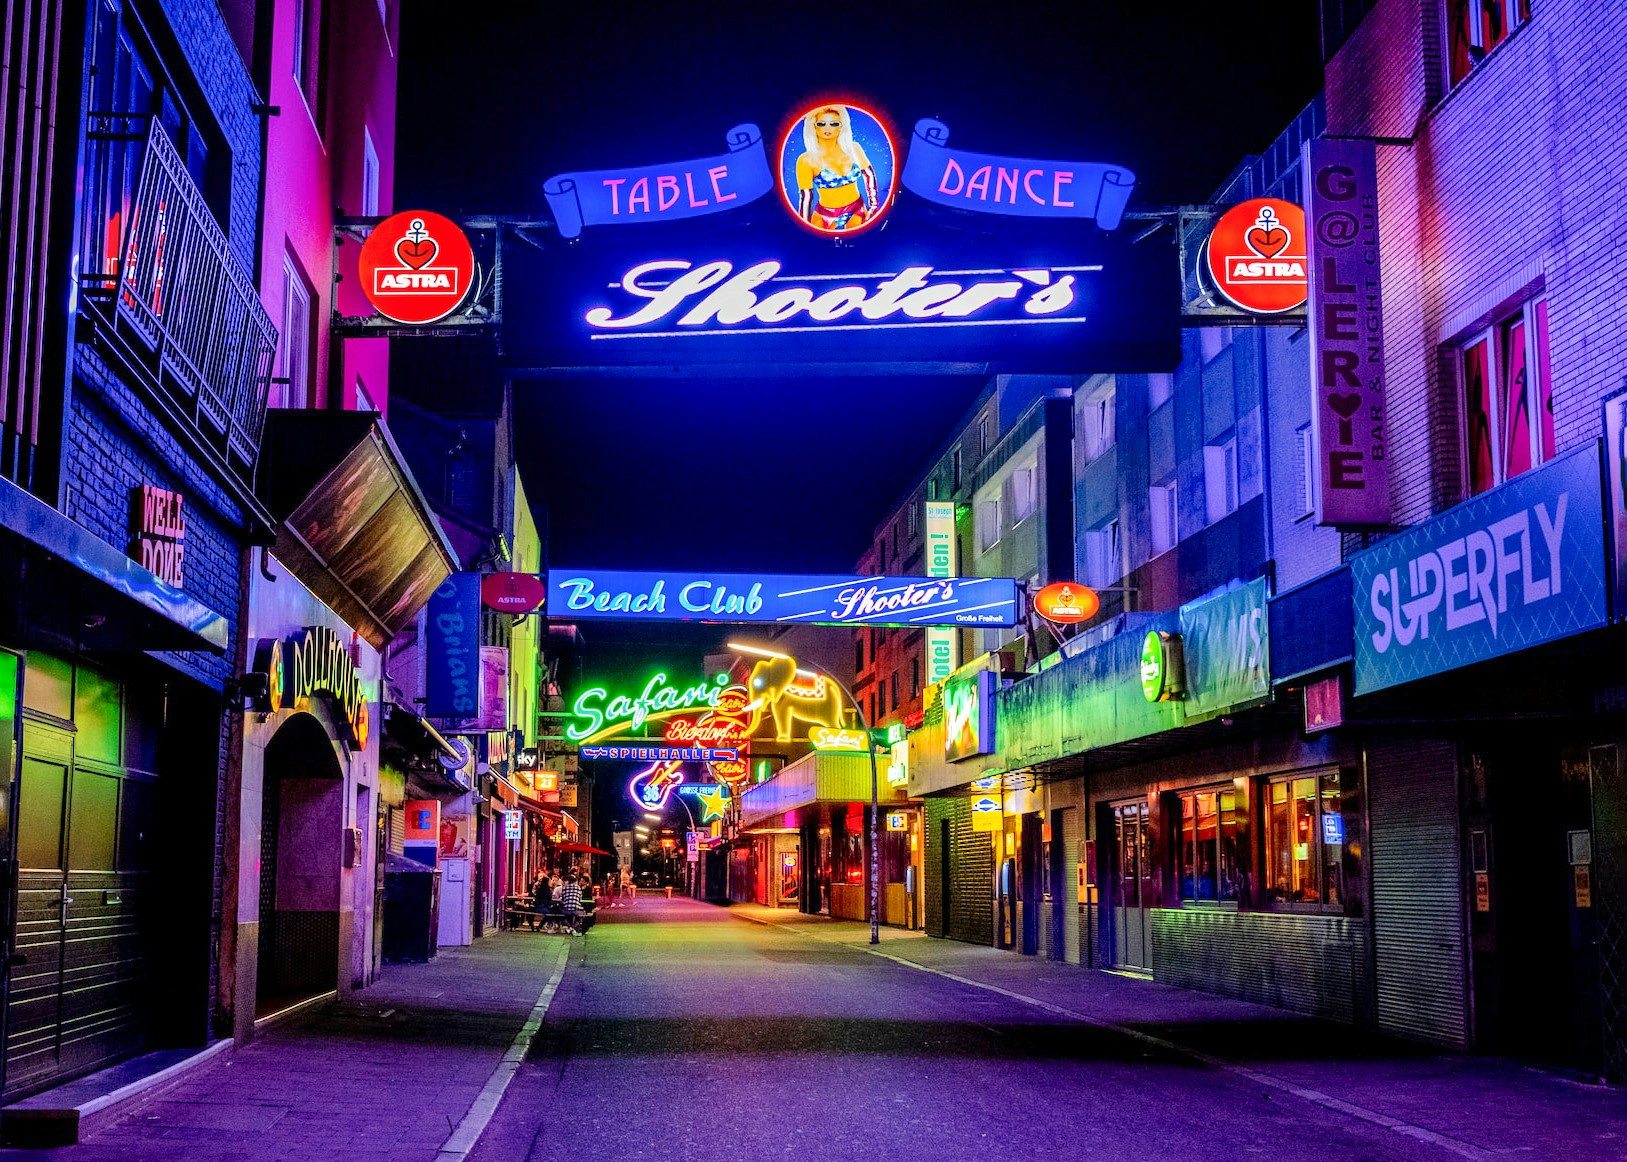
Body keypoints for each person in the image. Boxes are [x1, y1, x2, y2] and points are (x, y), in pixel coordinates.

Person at [793, 105, 880, 233]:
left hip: (856, 207)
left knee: (857, 242)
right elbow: (806, 197)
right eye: (822, 123)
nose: (827, 128)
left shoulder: (854, 149)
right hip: (825, 213)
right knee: (817, 248)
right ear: (814, 127)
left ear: (841, 126)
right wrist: (804, 226)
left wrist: (873, 207)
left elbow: (869, 175)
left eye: (834, 124)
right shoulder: (806, 160)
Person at [559, 872, 584, 937]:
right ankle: (572, 928)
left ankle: (570, 927)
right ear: (575, 881)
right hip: (576, 909)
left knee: (562, 917)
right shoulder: (578, 888)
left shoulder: (564, 888)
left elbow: (563, 898)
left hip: (566, 909)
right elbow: (580, 898)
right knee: (581, 917)